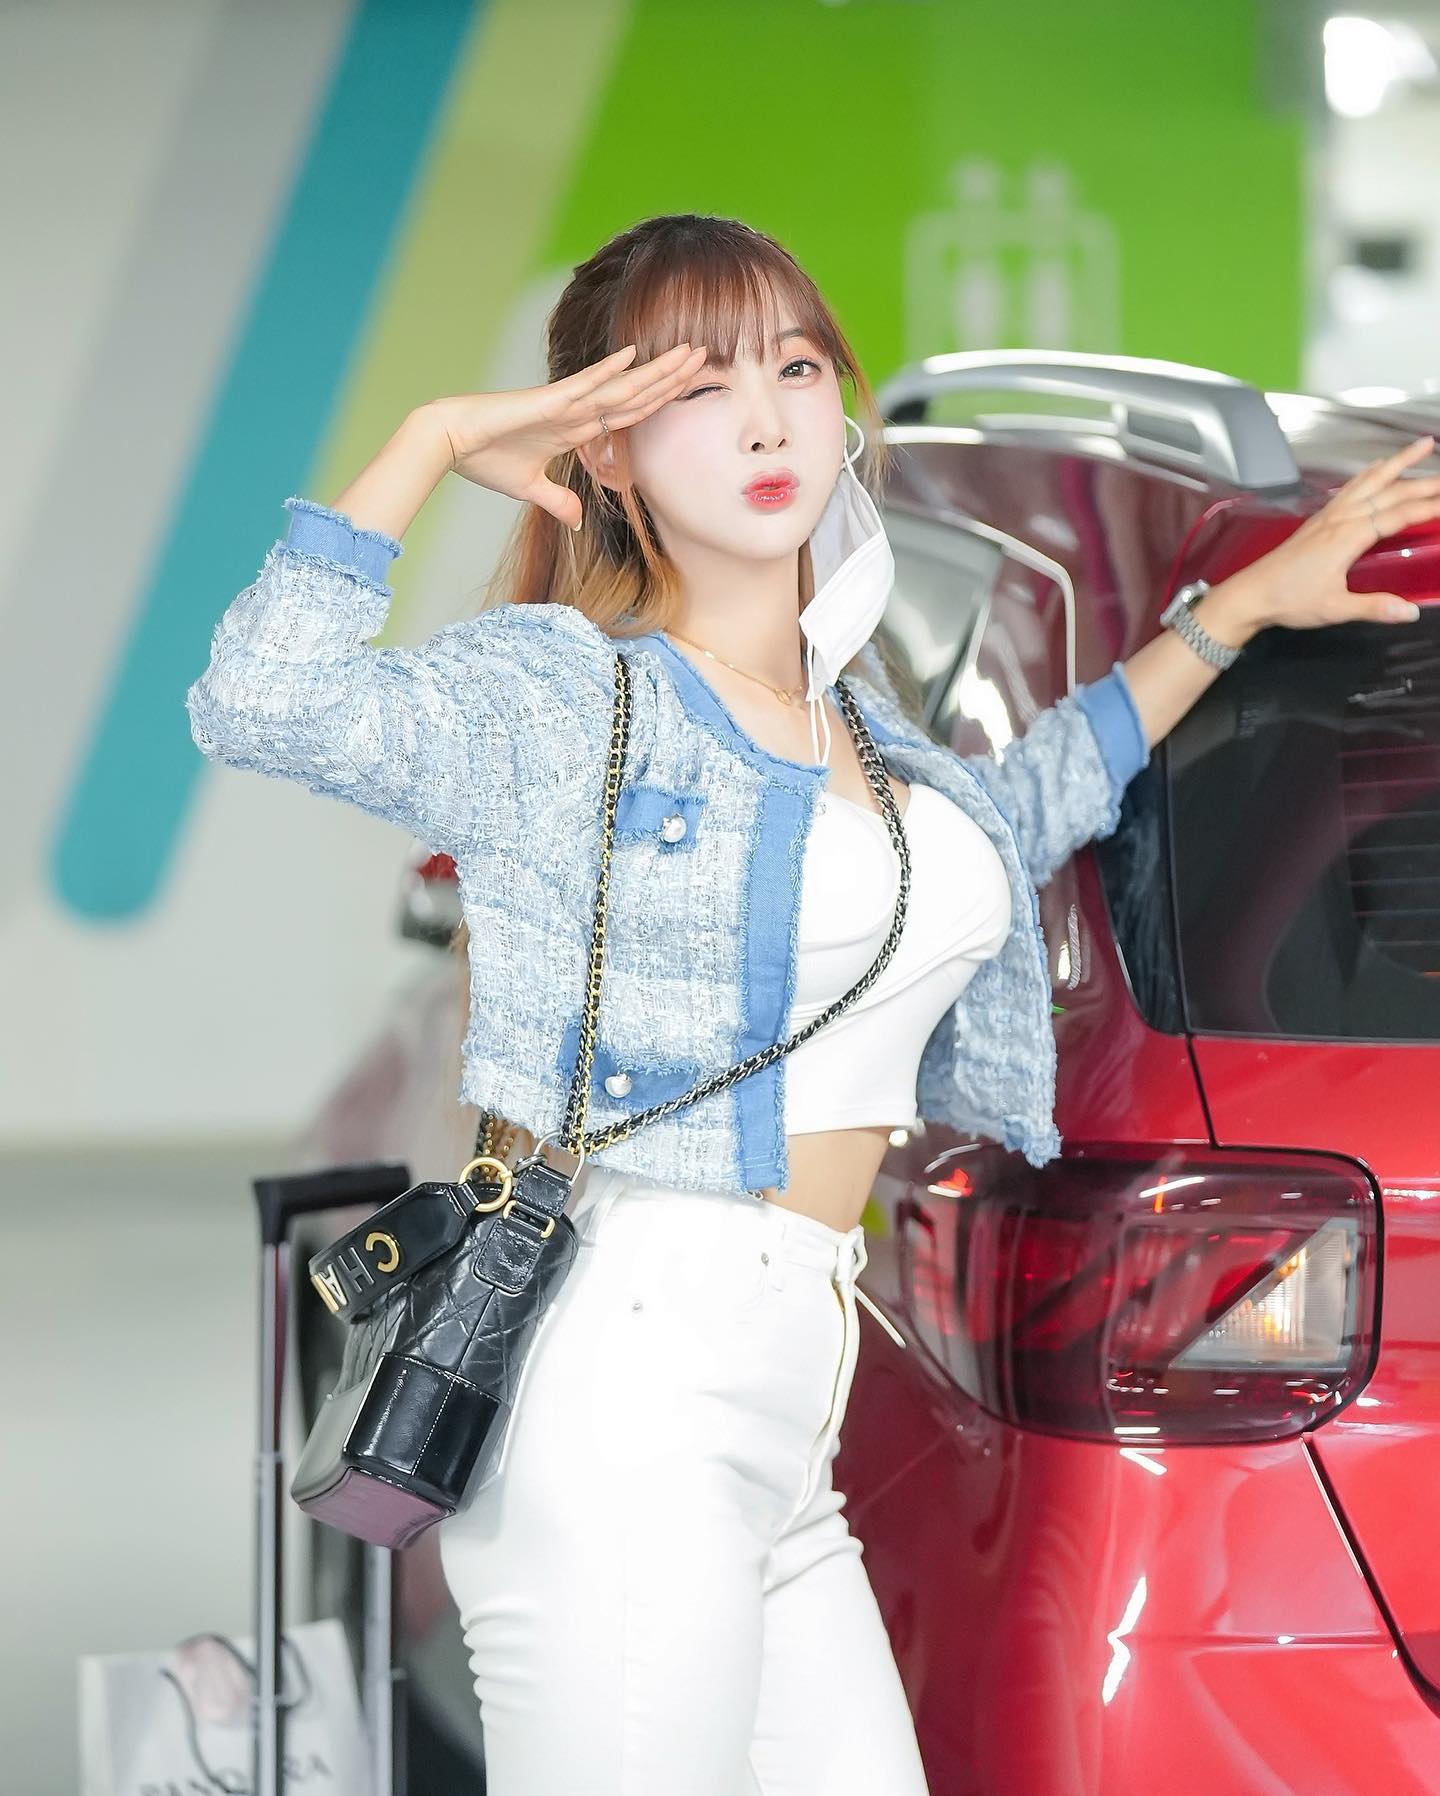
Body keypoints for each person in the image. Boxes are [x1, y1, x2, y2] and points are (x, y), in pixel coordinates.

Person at [185, 211, 1438, 1795]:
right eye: (699, 386)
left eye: (793, 368)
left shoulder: (857, 713)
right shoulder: (575, 695)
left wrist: (1232, 620)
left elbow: (1018, 815)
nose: (770, 419)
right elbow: (263, 703)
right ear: (609, 449)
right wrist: (432, 438)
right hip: (631, 1394)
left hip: (785, 1413)